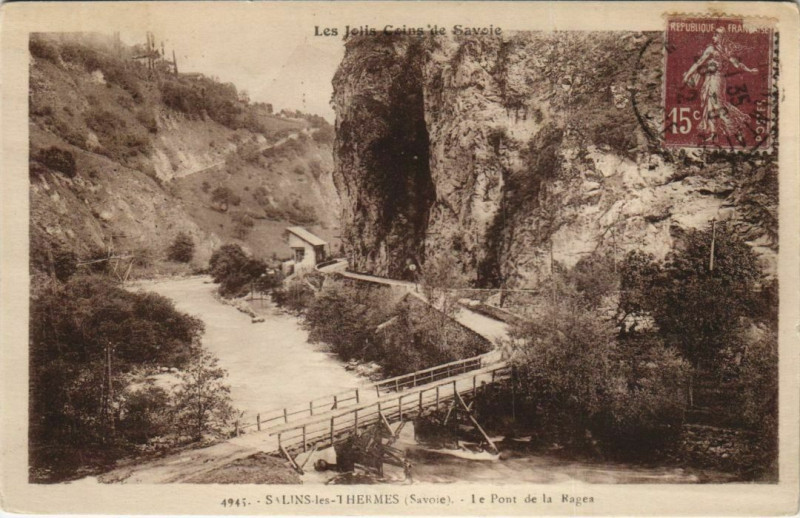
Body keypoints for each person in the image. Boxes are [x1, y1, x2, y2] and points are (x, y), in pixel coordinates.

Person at [682, 27, 759, 144]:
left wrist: (749, 70)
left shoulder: (713, 50)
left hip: (715, 81)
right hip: (713, 80)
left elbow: (699, 63)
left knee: (717, 106)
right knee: (710, 105)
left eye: (716, 35)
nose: (713, 37)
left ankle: (736, 128)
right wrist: (749, 70)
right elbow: (737, 64)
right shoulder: (725, 50)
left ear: (721, 37)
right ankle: (714, 135)